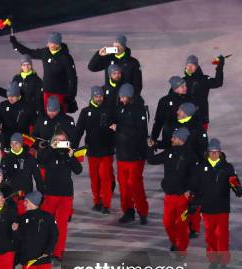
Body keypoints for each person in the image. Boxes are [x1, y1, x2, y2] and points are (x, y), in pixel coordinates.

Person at [191, 138, 242, 269]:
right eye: (212, 151)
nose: (214, 154)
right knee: (210, 236)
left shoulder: (227, 167)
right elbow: (196, 187)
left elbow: (235, 183)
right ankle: (213, 259)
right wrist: (194, 203)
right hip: (207, 208)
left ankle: (223, 261)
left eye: (217, 151)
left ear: (220, 152)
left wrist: (237, 188)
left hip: (222, 208)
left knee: (222, 235)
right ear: (208, 152)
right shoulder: (201, 167)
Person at [147, 127, 198, 257]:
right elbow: (152, 160)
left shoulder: (190, 156)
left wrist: (192, 193)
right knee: (167, 223)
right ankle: (175, 242)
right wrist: (149, 147)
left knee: (181, 226)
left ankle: (181, 250)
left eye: (174, 137)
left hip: (183, 198)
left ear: (180, 139)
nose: (171, 139)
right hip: (169, 197)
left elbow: (195, 177)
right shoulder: (169, 152)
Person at [37, 131, 82, 260]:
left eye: (63, 140)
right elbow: (41, 161)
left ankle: (58, 252)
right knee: (47, 224)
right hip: (50, 194)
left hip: (65, 195)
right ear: (53, 141)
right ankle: (45, 251)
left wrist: (71, 157)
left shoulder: (69, 153)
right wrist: (51, 147)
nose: (60, 143)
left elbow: (78, 170)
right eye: (57, 140)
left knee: (61, 225)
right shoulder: (47, 152)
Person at [14, 191, 58, 269]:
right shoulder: (21, 219)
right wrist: (15, 231)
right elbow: (19, 239)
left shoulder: (48, 217)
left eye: (26, 201)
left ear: (34, 202)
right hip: (28, 260)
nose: (24, 203)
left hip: (43, 259)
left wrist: (48, 251)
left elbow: (54, 236)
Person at [10, 32, 78, 113]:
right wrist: (15, 43)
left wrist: (71, 96)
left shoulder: (66, 57)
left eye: (53, 43)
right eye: (49, 42)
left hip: (61, 94)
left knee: (59, 118)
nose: (50, 45)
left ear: (58, 44)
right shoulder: (45, 52)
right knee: (47, 116)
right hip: (47, 92)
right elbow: (29, 52)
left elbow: (73, 78)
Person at [111, 83, 149, 224]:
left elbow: (140, 133)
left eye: (124, 97)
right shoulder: (120, 108)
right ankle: (128, 211)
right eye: (120, 97)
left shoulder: (139, 110)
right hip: (122, 154)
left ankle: (142, 212)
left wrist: (119, 128)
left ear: (130, 96)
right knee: (124, 185)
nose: (121, 99)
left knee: (135, 184)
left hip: (135, 155)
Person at [76, 86, 115, 213]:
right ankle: (97, 201)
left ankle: (106, 204)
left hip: (107, 151)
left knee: (105, 177)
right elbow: (79, 131)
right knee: (94, 178)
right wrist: (73, 147)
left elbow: (116, 129)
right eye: (97, 96)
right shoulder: (85, 112)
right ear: (92, 96)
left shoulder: (109, 111)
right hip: (92, 151)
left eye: (101, 96)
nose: (99, 98)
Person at [0, 132, 44, 215]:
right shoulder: (6, 158)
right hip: (11, 195)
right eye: (12, 143)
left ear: (21, 143)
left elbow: (38, 178)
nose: (13, 146)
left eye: (16, 143)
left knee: (24, 219)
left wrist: (40, 195)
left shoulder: (30, 159)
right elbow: (2, 177)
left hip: (26, 195)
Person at [0, 81, 36, 157]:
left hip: (22, 143)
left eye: (13, 96)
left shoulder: (27, 107)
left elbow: (35, 126)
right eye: (8, 96)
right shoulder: (3, 105)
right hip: (6, 143)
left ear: (18, 95)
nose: (10, 98)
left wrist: (33, 145)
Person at [150, 76, 197, 148]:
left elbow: (196, 120)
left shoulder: (190, 100)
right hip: (169, 139)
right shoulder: (164, 101)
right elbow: (158, 122)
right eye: (182, 86)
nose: (185, 88)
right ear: (175, 88)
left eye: (185, 86)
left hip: (186, 140)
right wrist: (153, 138)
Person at [182, 54, 225, 130]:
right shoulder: (182, 81)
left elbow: (218, 83)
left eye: (192, 65)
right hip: (185, 118)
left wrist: (220, 66)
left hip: (201, 118)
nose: (190, 67)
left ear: (197, 66)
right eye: (188, 65)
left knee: (200, 141)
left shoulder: (204, 80)